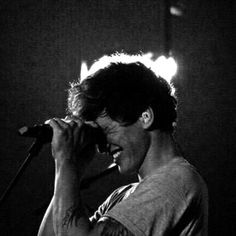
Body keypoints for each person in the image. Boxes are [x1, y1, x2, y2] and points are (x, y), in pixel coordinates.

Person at [38, 53, 208, 236]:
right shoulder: (122, 196)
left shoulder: (177, 180)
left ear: (145, 117)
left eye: (106, 131)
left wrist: (66, 160)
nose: (102, 147)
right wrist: (74, 169)